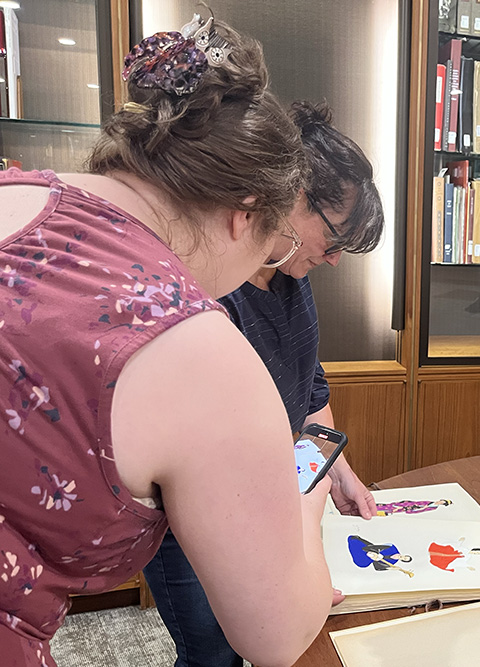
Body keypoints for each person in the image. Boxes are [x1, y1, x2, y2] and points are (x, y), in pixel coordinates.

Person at [0, 17, 337, 666]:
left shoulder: (19, 190)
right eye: (275, 247)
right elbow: (276, 635)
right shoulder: (188, 341)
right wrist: (309, 503)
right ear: (244, 215)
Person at [143, 100, 386, 667]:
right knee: (213, 652)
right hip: (196, 521)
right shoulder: (211, 286)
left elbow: (310, 386)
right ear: (290, 196)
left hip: (268, 504)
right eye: (334, 238)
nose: (334, 259)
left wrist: (338, 470)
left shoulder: (288, 276)